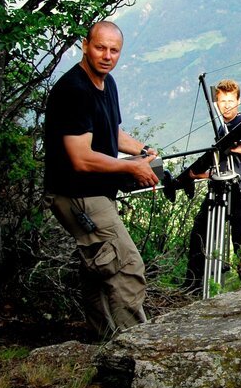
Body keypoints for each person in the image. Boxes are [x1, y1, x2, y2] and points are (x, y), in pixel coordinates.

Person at [44, 20, 159, 339]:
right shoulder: (74, 90)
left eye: (114, 50)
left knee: (100, 268)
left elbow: (111, 132)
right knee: (126, 267)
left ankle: (105, 344)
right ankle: (135, 351)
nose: (107, 55)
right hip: (77, 194)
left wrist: (141, 150)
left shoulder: (107, 85)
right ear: (85, 45)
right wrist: (130, 168)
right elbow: (80, 158)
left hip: (92, 192)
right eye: (100, 47)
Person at [183, 79, 241, 294]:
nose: (227, 105)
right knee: (201, 233)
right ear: (217, 102)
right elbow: (221, 163)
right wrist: (202, 174)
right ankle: (194, 286)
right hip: (221, 193)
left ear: (239, 101)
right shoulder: (223, 128)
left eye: (231, 101)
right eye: (222, 101)